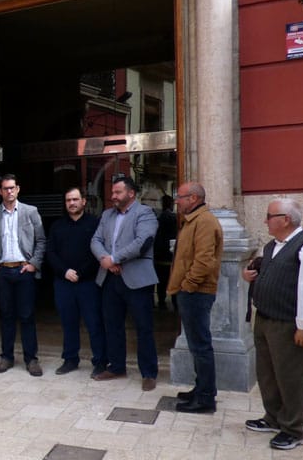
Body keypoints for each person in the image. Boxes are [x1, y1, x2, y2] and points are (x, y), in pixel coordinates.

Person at [240, 196, 303, 450]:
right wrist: (249, 275)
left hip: (287, 322)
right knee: (267, 373)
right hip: (264, 318)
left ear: (285, 220)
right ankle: (273, 417)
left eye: (269, 216)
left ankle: (293, 428)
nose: (265, 220)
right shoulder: (272, 246)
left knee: (290, 376)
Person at [90, 175, 159, 390]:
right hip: (110, 278)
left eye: (118, 192)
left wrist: (115, 258)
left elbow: (143, 242)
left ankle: (148, 372)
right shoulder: (107, 215)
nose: (113, 196)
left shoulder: (145, 213)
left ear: (131, 193)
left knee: (144, 327)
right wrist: (106, 260)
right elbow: (95, 240)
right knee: (112, 325)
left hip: (137, 280)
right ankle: (117, 366)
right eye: (113, 192)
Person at [0, 173, 46, 376]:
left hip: (24, 270)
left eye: (12, 187)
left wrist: (34, 264)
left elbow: (41, 240)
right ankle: (6, 357)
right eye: (5, 188)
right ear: (0, 191)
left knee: (27, 315)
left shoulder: (30, 212)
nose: (9, 191)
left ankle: (31, 359)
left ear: (18, 189)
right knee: (6, 316)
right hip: (2, 271)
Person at [167, 181, 222, 414]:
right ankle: (200, 389)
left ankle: (206, 398)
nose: (176, 201)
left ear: (193, 198)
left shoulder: (205, 222)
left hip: (196, 293)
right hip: (191, 292)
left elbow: (204, 261)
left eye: (179, 197)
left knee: (200, 346)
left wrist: (187, 286)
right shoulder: (193, 220)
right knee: (196, 345)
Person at [44, 187, 103, 376]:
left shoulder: (95, 224)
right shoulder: (57, 226)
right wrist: (65, 271)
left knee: (94, 323)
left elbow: (99, 252)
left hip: (88, 283)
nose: (72, 203)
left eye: (75, 199)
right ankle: (70, 360)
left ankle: (100, 361)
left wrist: (81, 272)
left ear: (83, 201)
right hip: (63, 283)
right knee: (68, 323)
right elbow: (50, 253)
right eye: (68, 200)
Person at [154, 195, 177, 310]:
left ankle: (162, 302)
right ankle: (175, 303)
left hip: (160, 254)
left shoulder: (158, 218)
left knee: (161, 281)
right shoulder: (174, 218)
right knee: (173, 279)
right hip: (170, 254)